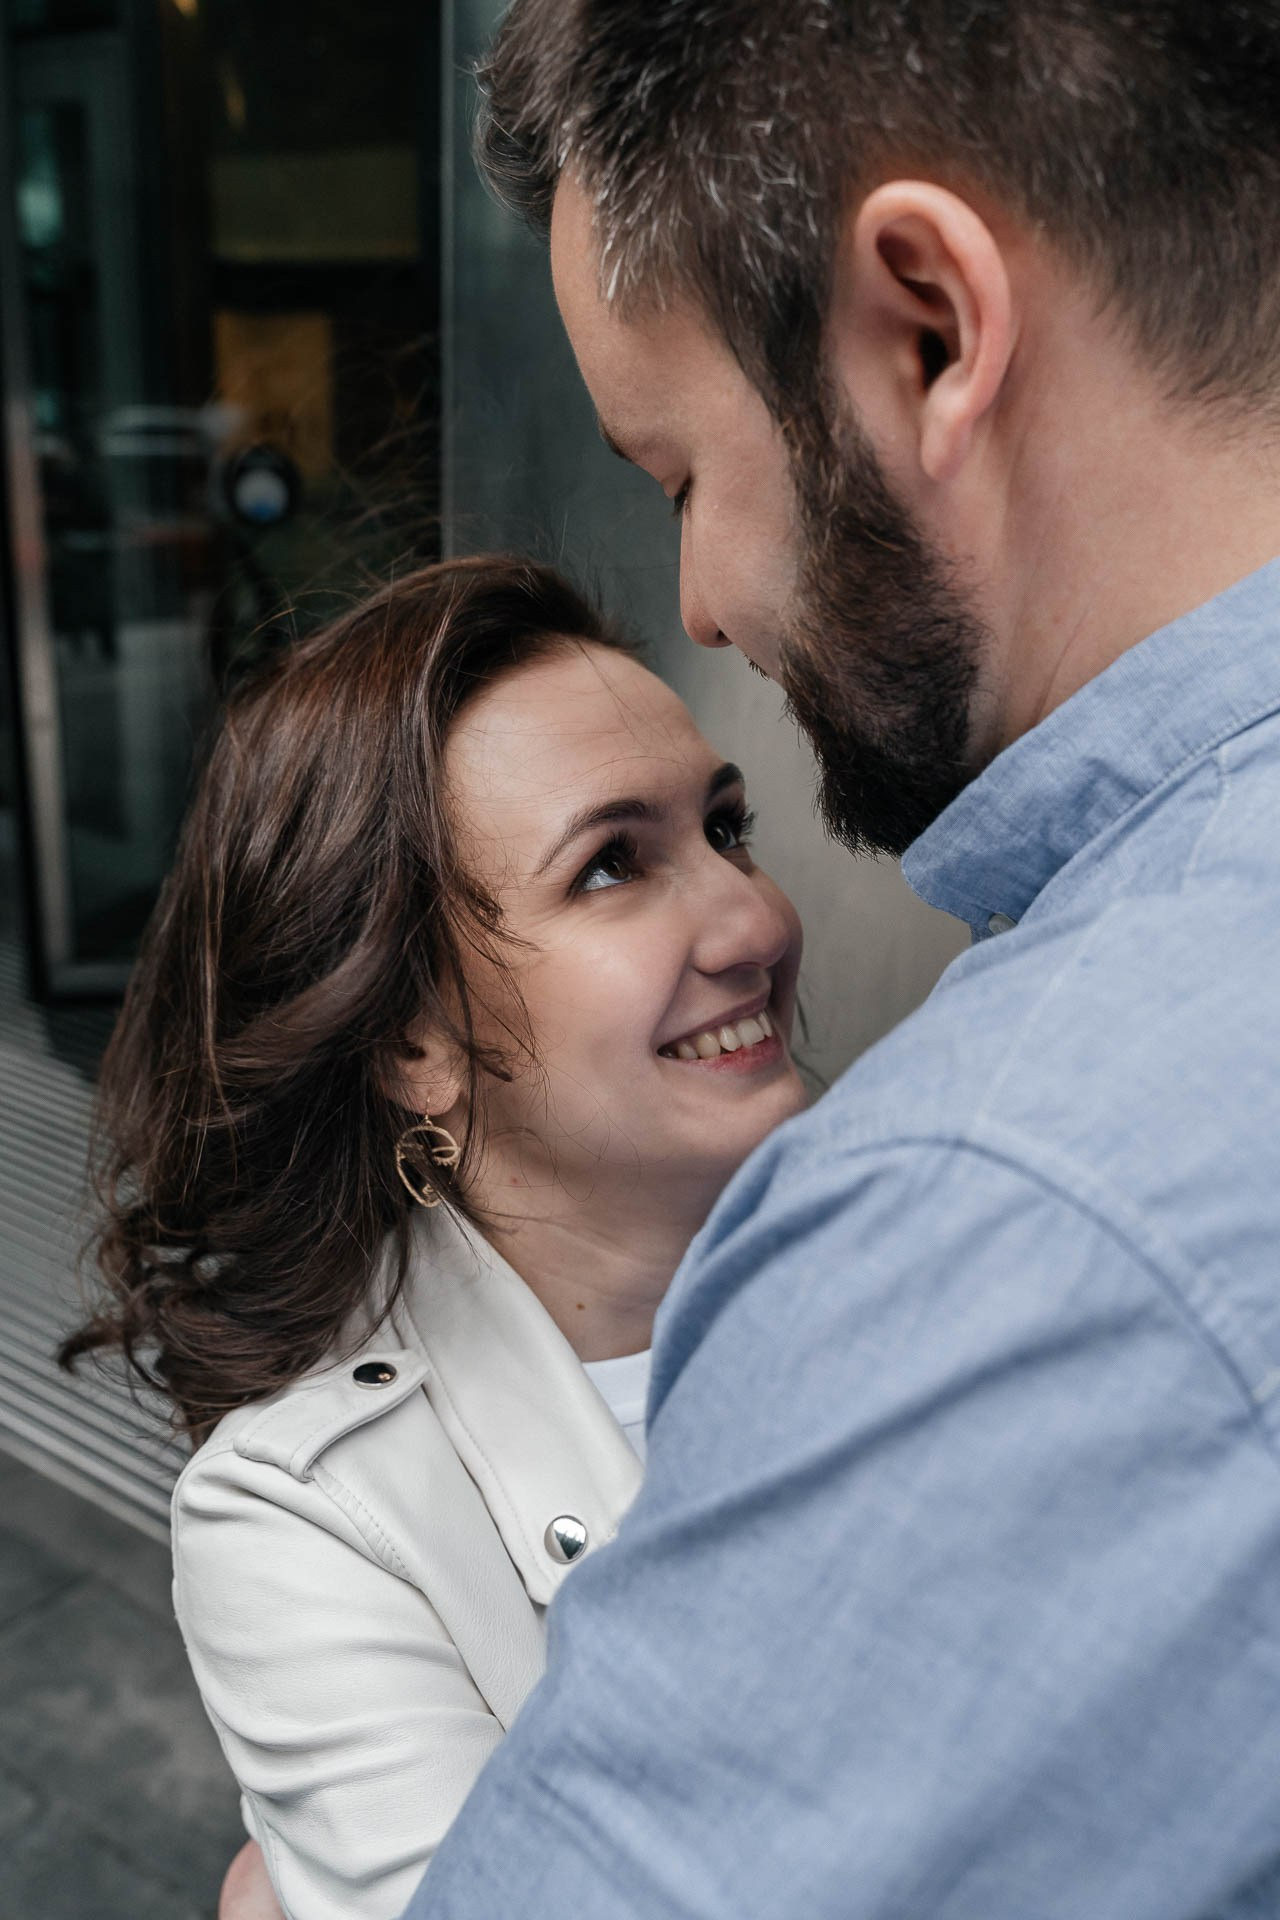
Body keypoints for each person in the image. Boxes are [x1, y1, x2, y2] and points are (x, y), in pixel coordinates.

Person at [391, 4, 1280, 1916]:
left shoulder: (1004, 1218)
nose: (702, 598)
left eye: (679, 474)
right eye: (608, 865)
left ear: (929, 332)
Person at [59, 554, 806, 1919]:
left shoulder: (945, 1243)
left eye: (727, 828)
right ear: (413, 1040)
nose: (756, 918)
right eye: (613, 866)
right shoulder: (304, 1516)